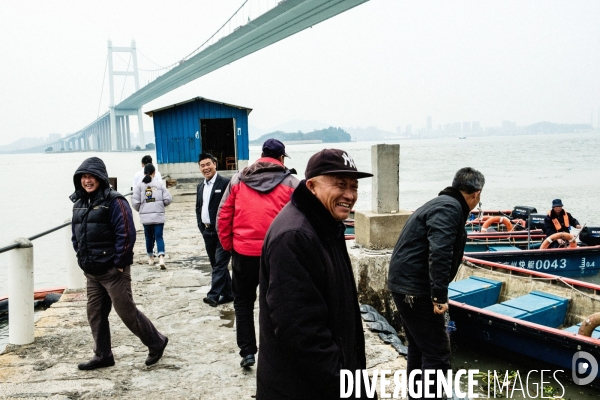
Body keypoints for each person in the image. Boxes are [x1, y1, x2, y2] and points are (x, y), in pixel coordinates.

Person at [257, 149, 375, 400]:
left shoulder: (325, 224)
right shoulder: (295, 236)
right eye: (340, 185)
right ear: (311, 186)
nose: (350, 195)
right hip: (303, 388)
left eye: (354, 187)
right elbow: (301, 334)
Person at [387, 167, 485, 400]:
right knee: (437, 352)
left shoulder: (440, 203)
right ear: (476, 194)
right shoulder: (450, 208)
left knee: (419, 346)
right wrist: (439, 296)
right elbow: (440, 251)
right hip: (415, 289)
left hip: (404, 285)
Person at [70, 157, 168, 370]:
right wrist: (81, 258)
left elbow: (126, 233)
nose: (87, 181)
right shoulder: (78, 204)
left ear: (100, 178)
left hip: (113, 271)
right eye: (84, 177)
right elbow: (76, 236)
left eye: (91, 177)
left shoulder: (114, 201)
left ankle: (156, 342)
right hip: (92, 271)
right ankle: (103, 354)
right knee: (95, 314)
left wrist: (120, 264)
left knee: (127, 313)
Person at [217, 138, 299, 368]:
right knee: (277, 303)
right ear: (281, 158)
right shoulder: (292, 182)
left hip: (243, 253)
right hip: (278, 253)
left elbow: (223, 215)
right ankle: (275, 352)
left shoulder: (238, 179)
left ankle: (247, 352)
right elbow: (304, 218)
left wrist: (229, 246)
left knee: (243, 303)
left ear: (261, 155)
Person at [195, 153, 233, 307]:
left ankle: (213, 295)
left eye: (208, 164)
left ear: (215, 164)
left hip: (223, 231)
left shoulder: (225, 183)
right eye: (202, 165)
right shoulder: (200, 186)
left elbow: (232, 206)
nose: (206, 168)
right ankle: (229, 294)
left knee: (220, 264)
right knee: (215, 264)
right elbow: (199, 208)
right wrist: (201, 227)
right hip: (208, 232)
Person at [132, 163, 172, 269]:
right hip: (158, 216)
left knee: (148, 237)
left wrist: (141, 209)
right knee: (159, 237)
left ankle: (150, 257)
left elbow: (135, 202)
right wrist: (161, 205)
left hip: (146, 218)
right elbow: (168, 199)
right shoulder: (159, 184)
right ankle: (161, 258)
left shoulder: (139, 186)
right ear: (154, 173)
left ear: (144, 173)